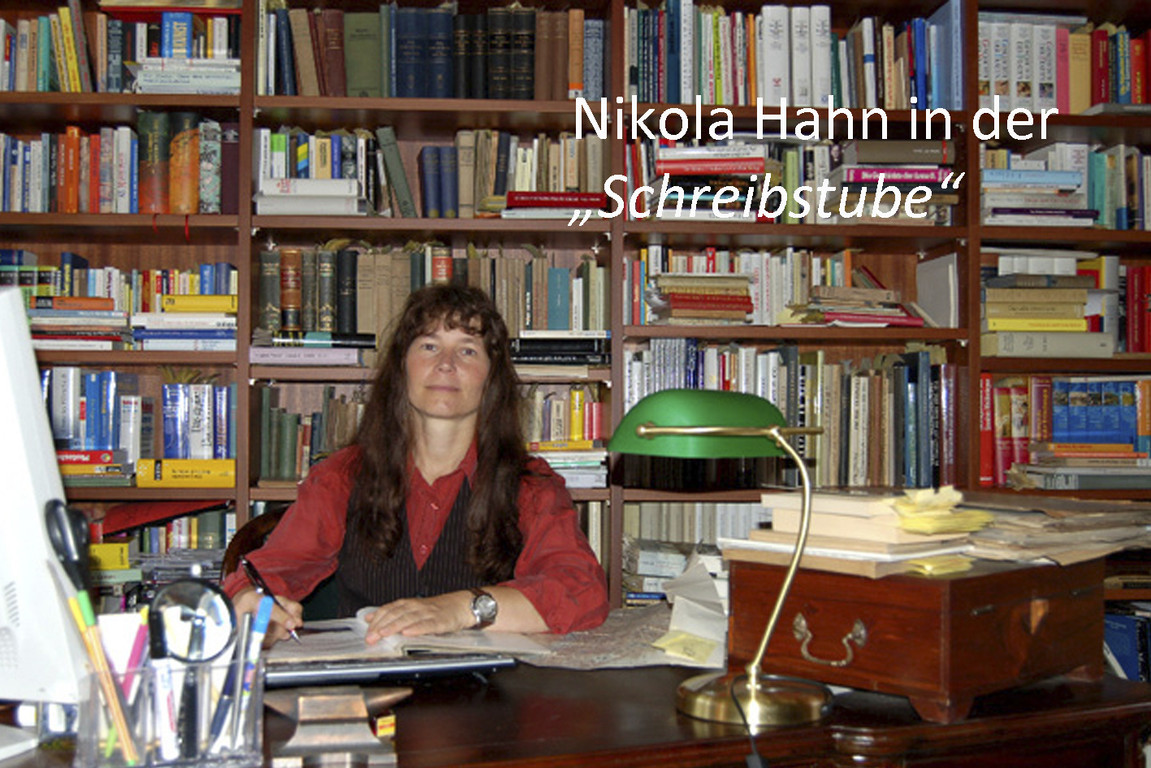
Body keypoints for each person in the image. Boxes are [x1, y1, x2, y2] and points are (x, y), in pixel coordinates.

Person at [222, 283, 609, 644]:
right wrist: (253, 604)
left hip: (491, 687)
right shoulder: (342, 475)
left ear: (492, 377)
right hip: (369, 682)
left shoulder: (531, 485)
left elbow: (580, 589)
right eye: (429, 346)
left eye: (467, 350)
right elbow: (267, 573)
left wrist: (461, 608)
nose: (446, 364)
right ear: (401, 367)